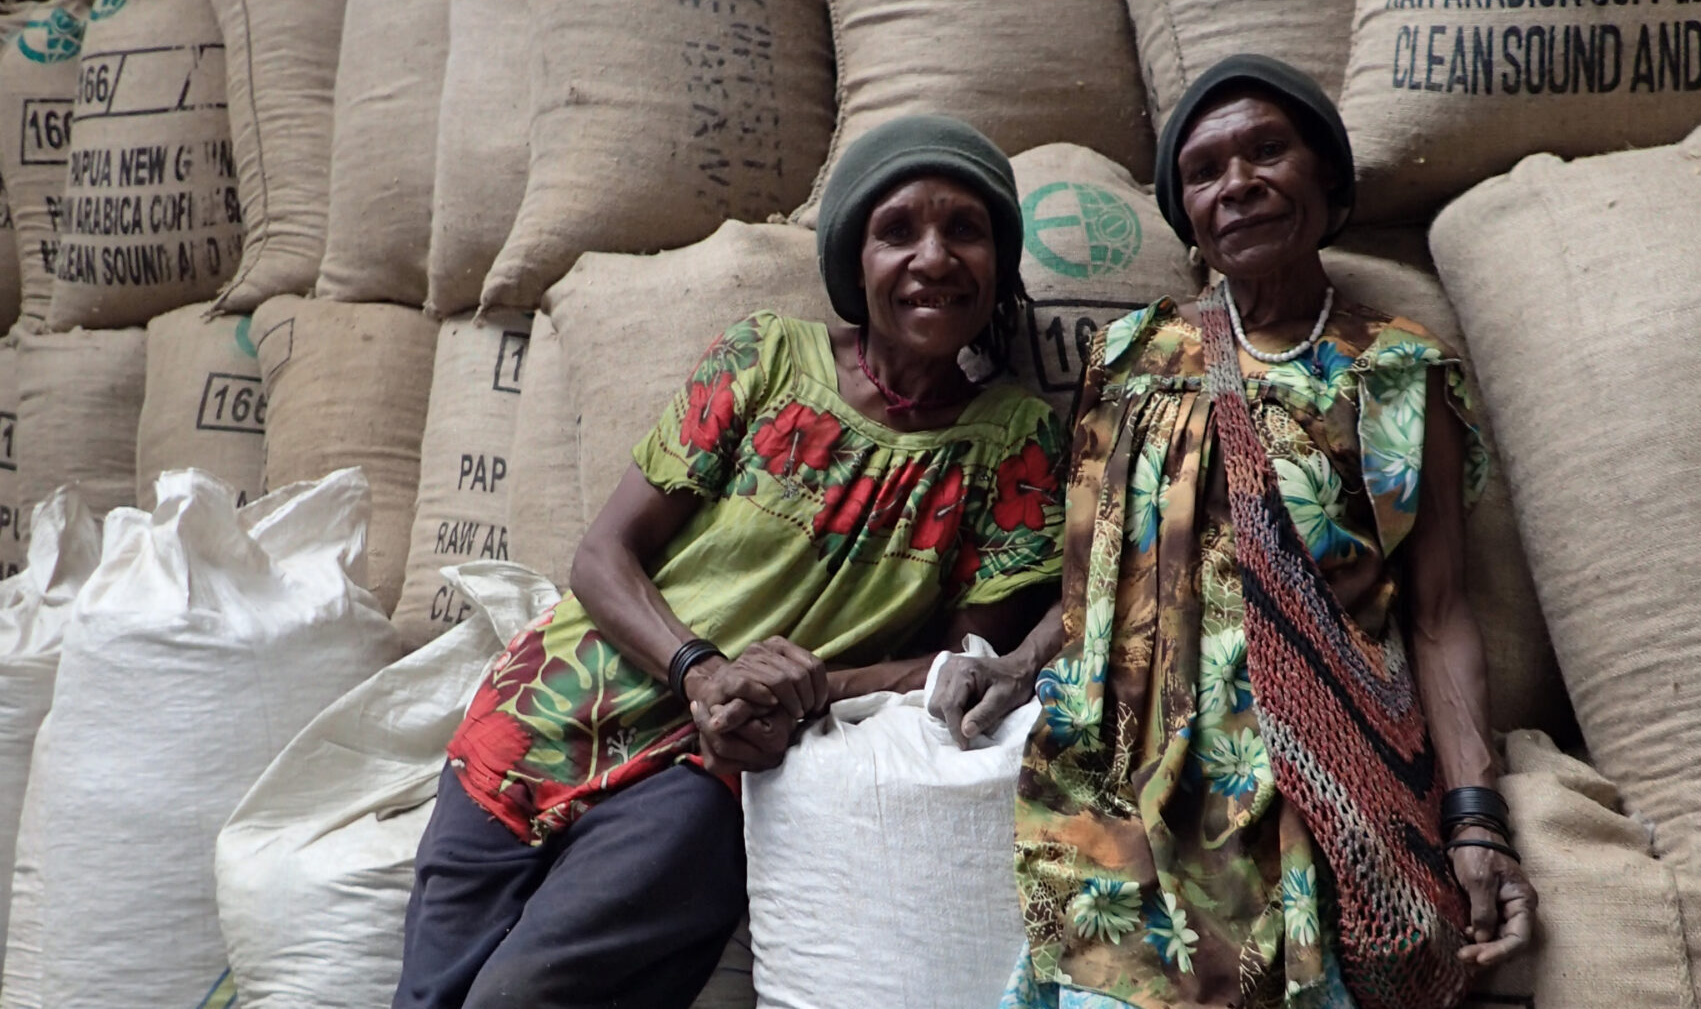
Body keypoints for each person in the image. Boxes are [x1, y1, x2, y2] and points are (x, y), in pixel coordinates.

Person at [391, 115, 1068, 1009]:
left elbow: (958, 674)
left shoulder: (1012, 442)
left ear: (998, 262)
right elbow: (602, 556)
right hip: (545, 712)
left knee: (521, 999)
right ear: (851, 261)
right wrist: (700, 669)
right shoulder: (765, 357)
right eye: (896, 230)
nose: (933, 257)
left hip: (713, 766)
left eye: (965, 232)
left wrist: (809, 687)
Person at [931, 56, 1539, 1009]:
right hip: (1129, 779)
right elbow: (1100, 586)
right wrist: (1016, 667)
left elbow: (1437, 613)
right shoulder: (1132, 356)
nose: (1239, 183)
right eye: (1206, 170)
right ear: (1186, 215)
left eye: (1267, 151)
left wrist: (1473, 818)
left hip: (1314, 778)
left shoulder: (1390, 371)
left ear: (1326, 180)